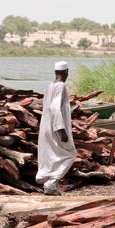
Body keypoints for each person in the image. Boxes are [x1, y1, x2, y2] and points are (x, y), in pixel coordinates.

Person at [36, 61, 77, 195]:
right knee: (69, 154)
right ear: (66, 72)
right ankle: (51, 183)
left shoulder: (50, 86)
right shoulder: (61, 86)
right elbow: (54, 107)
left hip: (46, 126)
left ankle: (43, 177)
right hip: (56, 127)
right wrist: (61, 129)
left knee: (51, 153)